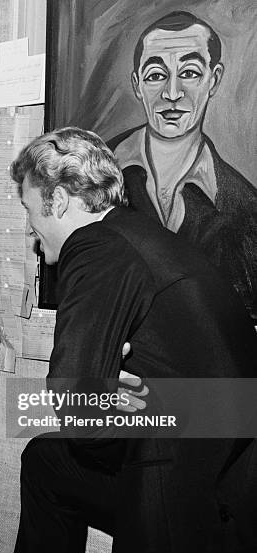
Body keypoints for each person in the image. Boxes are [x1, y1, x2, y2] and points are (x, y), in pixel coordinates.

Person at [9, 127, 257, 553]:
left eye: (30, 209)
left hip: (183, 484)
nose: (31, 228)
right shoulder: (141, 234)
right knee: (47, 461)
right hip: (233, 468)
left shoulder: (93, 246)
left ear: (59, 201)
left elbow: (74, 405)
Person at [109, 11, 257, 321]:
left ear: (213, 80)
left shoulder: (245, 208)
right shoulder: (91, 176)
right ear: (137, 85)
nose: (172, 94)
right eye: (155, 75)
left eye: (189, 73)